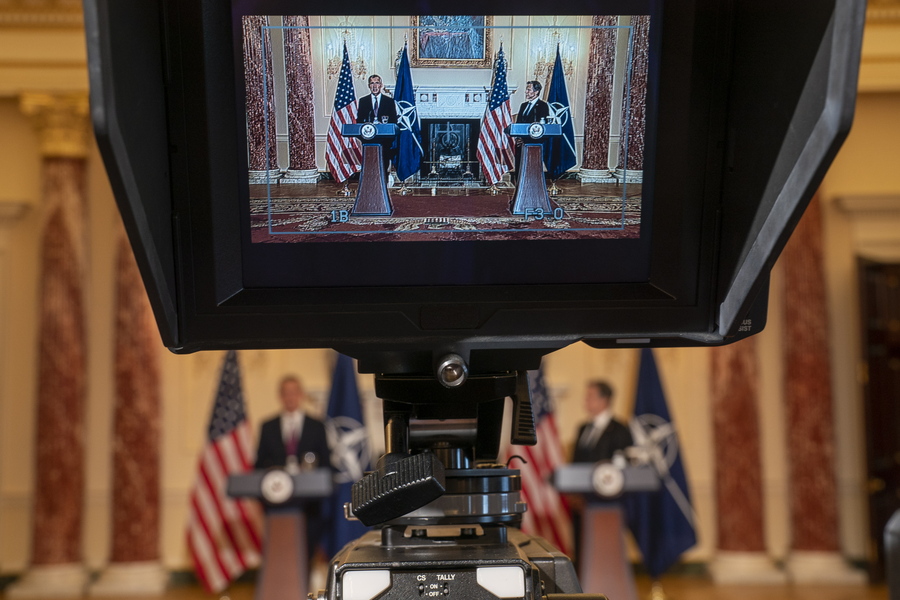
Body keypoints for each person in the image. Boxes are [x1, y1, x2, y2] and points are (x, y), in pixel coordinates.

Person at [255, 375, 331, 560]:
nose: (290, 397)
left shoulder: (317, 426)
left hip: (309, 506)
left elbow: (326, 463)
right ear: (280, 396)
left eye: (294, 392)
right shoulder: (268, 427)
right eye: (286, 393)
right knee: (280, 553)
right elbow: (258, 464)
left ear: (301, 395)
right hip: (276, 503)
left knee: (306, 550)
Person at [572, 380, 633, 463]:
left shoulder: (619, 430)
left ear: (604, 400)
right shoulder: (583, 428)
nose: (586, 400)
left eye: (590, 396)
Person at [356, 74, 398, 174]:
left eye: (377, 83)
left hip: (384, 141)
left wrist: (382, 126)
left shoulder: (389, 101)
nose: (374, 86)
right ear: (369, 86)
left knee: (383, 166)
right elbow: (359, 120)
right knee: (369, 166)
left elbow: (394, 121)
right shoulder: (363, 101)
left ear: (381, 85)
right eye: (372, 83)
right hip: (368, 140)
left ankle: (383, 186)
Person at [514, 80, 551, 179]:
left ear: (536, 92)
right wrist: (518, 138)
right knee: (519, 169)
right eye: (527, 89)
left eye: (528, 89)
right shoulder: (523, 106)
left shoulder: (542, 106)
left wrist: (526, 139)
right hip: (520, 144)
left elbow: (540, 127)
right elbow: (518, 124)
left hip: (533, 143)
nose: (526, 92)